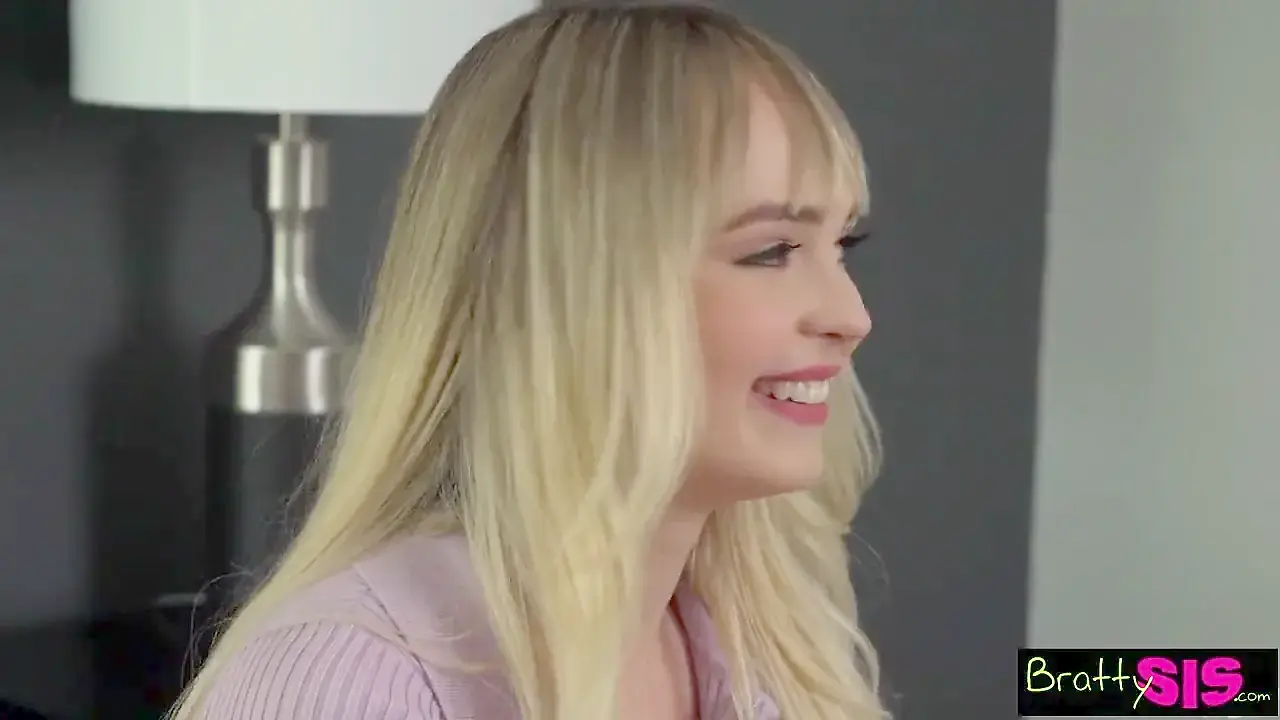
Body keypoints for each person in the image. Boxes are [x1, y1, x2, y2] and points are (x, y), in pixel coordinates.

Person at [172, 2, 886, 718]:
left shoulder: (761, 659)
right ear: (571, 286)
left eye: (841, 247)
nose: (851, 318)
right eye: (772, 250)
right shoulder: (347, 681)